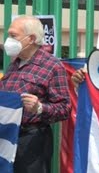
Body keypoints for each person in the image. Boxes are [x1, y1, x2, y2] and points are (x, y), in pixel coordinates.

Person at [0, 15, 71, 173]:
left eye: (13, 36)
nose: (8, 40)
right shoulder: (15, 63)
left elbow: (64, 108)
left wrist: (39, 108)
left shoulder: (53, 66)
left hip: (32, 140)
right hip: (7, 135)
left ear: (31, 38)